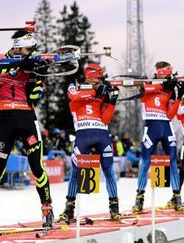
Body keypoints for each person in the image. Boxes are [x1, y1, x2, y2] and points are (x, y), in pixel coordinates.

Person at [0, 30, 54, 229]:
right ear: (16, 46)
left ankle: (47, 210)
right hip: (5, 119)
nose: (30, 53)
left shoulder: (32, 63)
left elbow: (35, 98)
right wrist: (20, 63)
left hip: (26, 118)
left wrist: (40, 76)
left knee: (37, 166)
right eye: (27, 49)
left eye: (31, 50)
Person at [59, 63, 121, 222]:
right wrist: (95, 90)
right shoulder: (75, 87)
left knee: (108, 171)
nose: (103, 81)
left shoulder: (102, 92)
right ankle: (69, 208)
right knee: (75, 172)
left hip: (101, 133)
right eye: (100, 78)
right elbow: (75, 97)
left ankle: (114, 208)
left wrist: (112, 101)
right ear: (93, 77)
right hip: (82, 134)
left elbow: (106, 118)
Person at [132, 61, 184, 213]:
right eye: (167, 75)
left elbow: (170, 115)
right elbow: (144, 90)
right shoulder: (148, 83)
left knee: (173, 162)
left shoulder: (170, 91)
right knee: (145, 162)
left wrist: (179, 96)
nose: (169, 78)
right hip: (151, 127)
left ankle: (177, 196)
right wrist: (162, 84)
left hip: (165, 126)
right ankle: (139, 198)